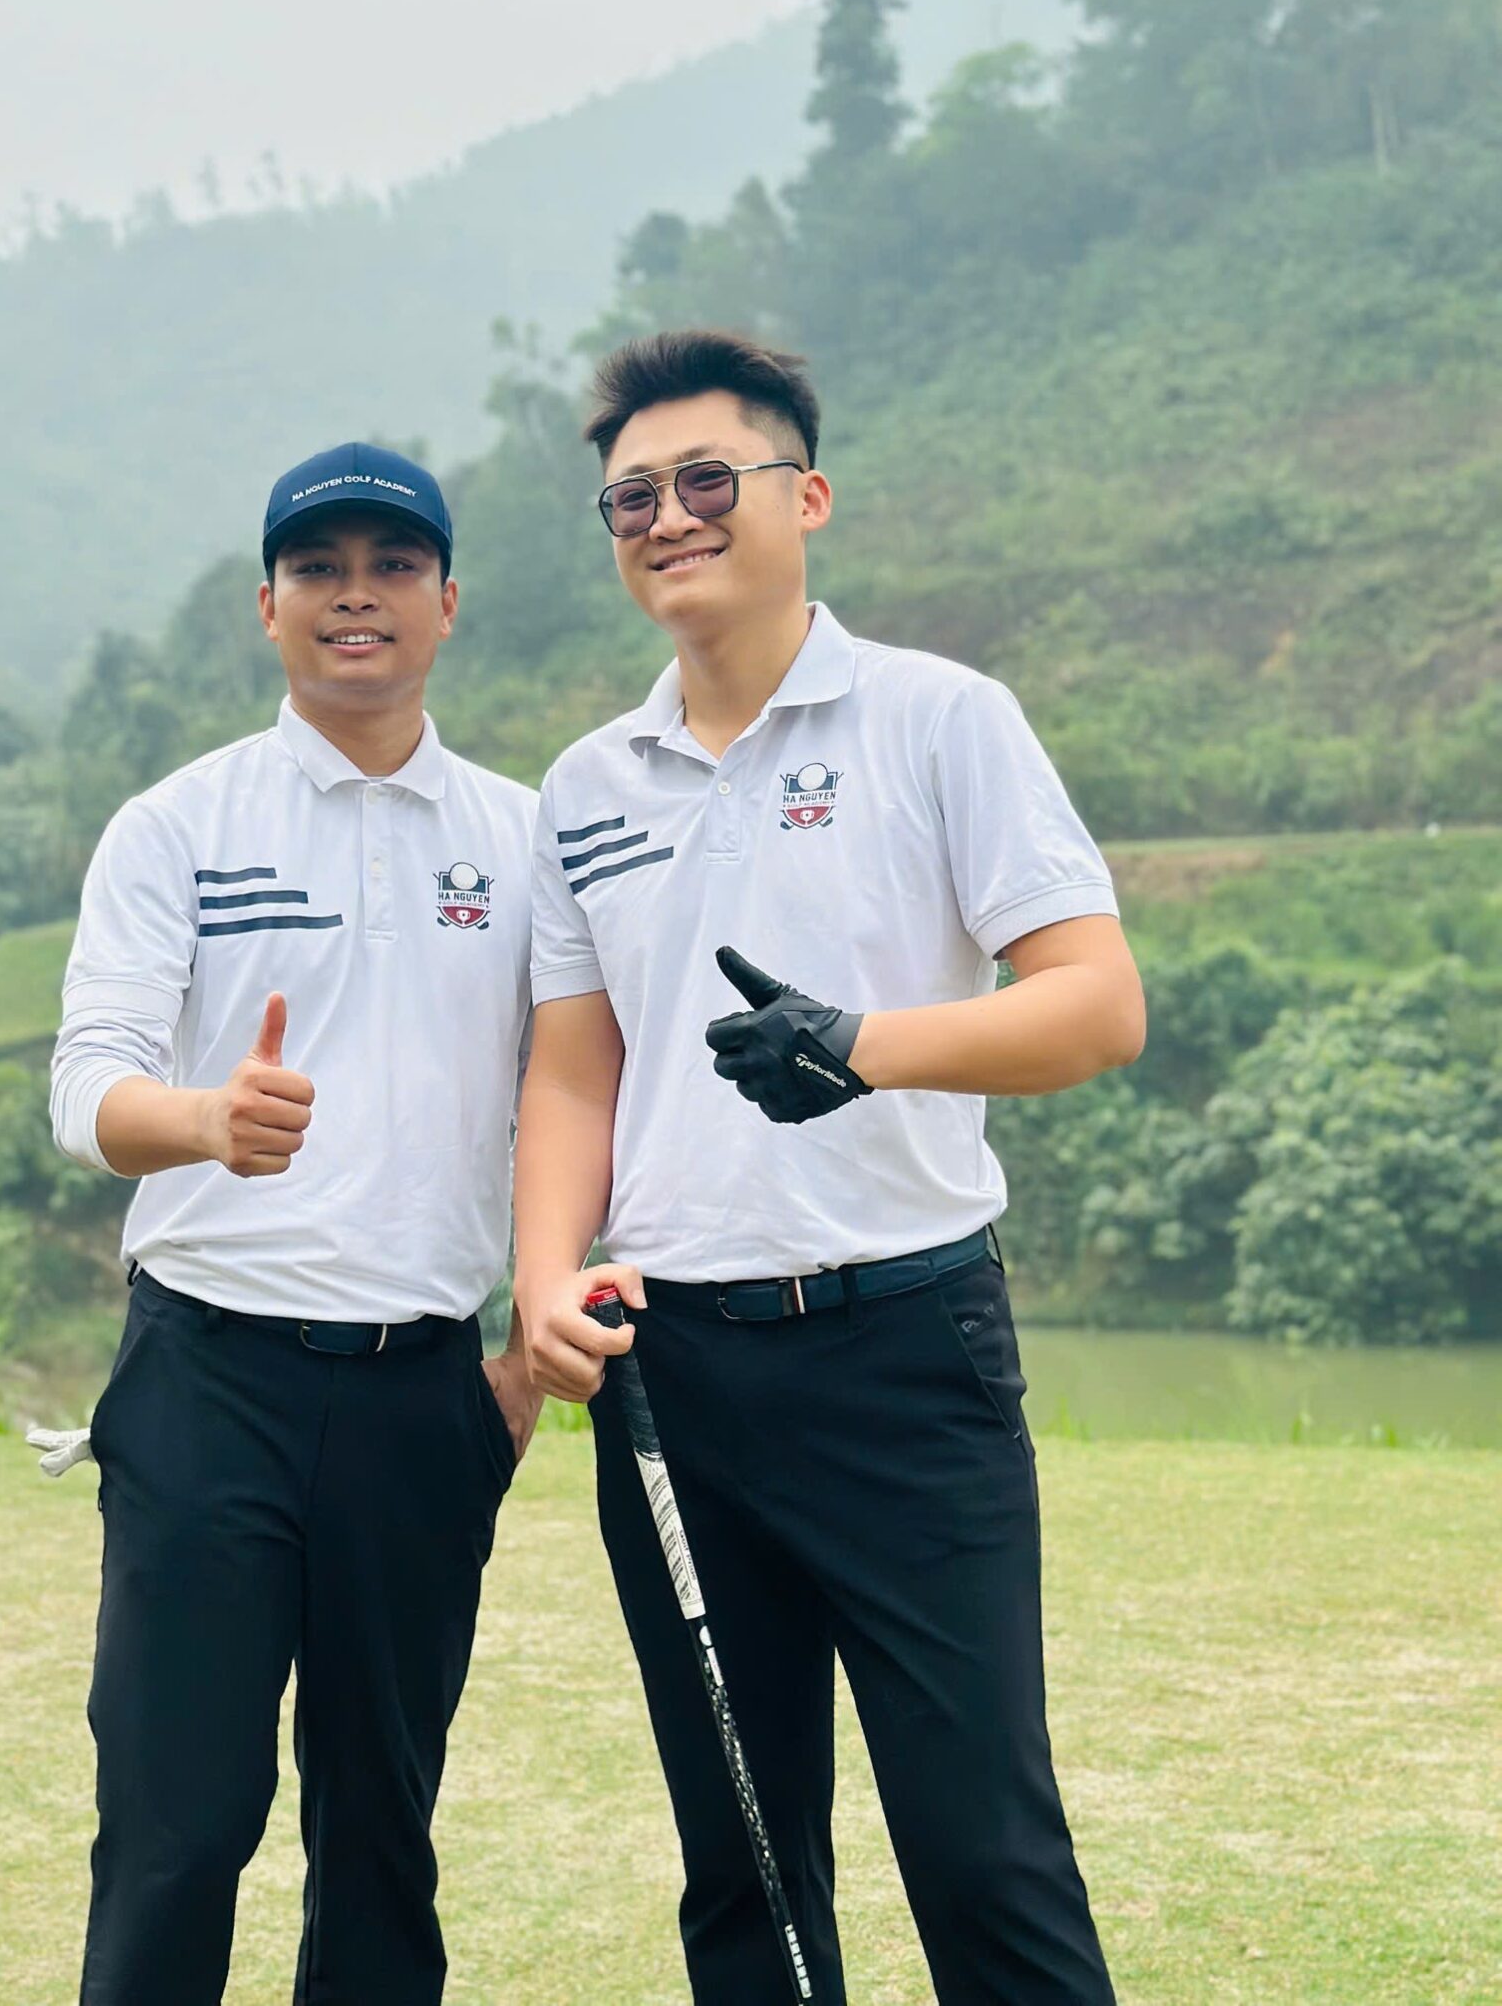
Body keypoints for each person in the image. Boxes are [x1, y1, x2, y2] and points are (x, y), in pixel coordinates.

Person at [514, 330, 1142, 2005]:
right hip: (674, 1375)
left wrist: (861, 1044)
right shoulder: (586, 786)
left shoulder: (938, 719)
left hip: (903, 1351)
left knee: (983, 1851)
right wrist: (543, 1278)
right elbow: (574, 1069)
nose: (668, 517)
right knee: (745, 1867)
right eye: (631, 497)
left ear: (808, 496)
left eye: (707, 479)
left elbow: (1095, 1005)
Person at [50, 441, 541, 2006]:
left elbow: (579, 1103)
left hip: (424, 1392)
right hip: (211, 1384)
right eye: (318, 569)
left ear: (449, 601)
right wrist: (207, 1122)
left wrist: (525, 1357)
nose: (356, 596)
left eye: (393, 566)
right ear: (268, 606)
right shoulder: (177, 825)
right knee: (178, 1827)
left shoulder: (526, 842)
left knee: (384, 1834)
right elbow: (86, 1088)